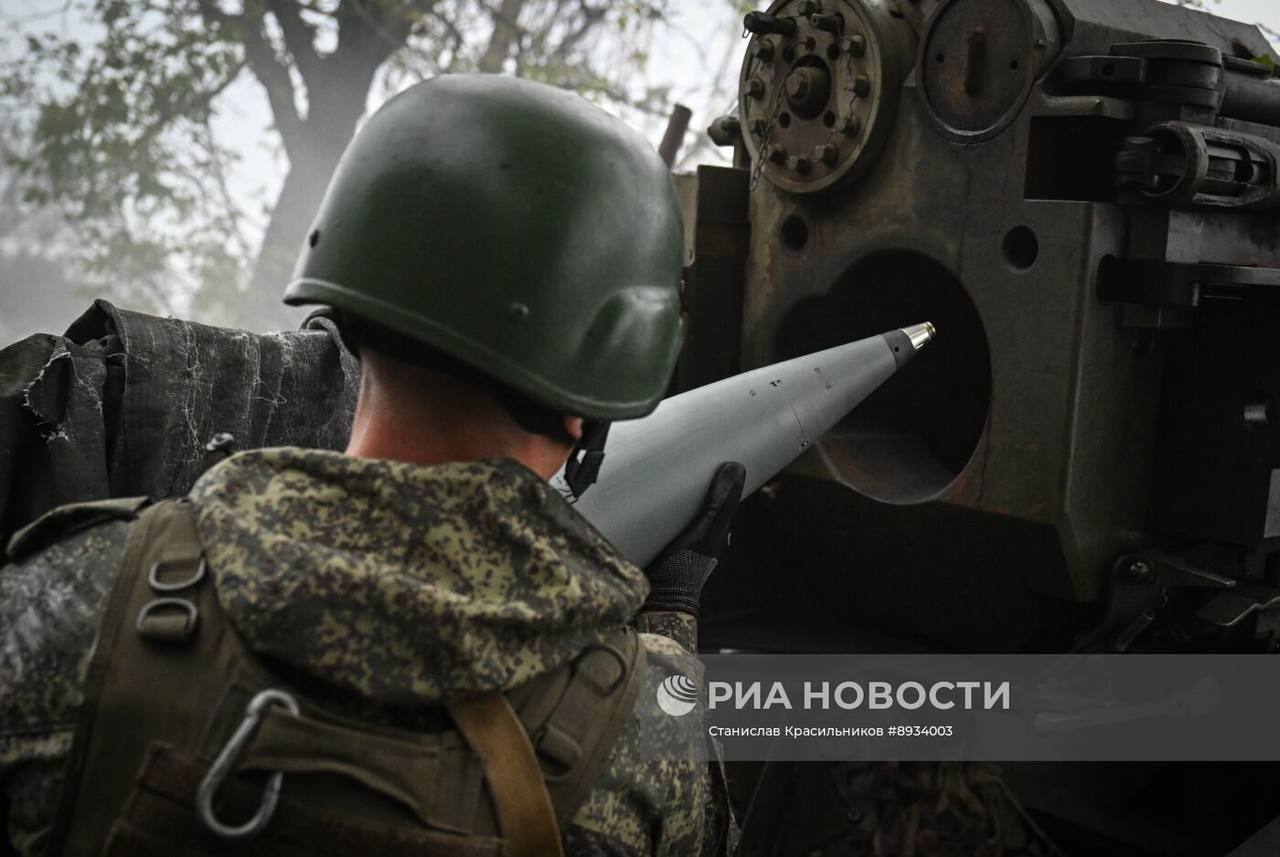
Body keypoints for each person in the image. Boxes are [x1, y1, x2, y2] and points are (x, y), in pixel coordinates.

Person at [0, 73, 741, 856]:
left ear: (347, 314)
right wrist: (665, 624)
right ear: (588, 402)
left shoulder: (76, 596)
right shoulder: (649, 742)